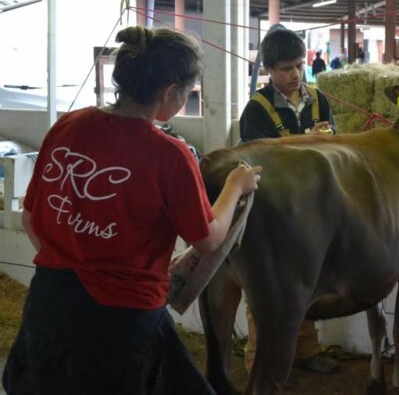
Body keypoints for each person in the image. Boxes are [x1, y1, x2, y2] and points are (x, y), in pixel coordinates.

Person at [2, 26, 262, 395]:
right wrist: (236, 186)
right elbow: (206, 239)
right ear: (170, 92)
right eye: (187, 93)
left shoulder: (69, 126)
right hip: (122, 320)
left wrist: (74, 257)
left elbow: (32, 219)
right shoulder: (169, 155)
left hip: (49, 304)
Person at [238, 24, 338, 374]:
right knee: (262, 288)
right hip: (271, 210)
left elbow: (336, 145)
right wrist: (304, 142)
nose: (296, 74)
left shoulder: (319, 99)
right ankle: (259, 363)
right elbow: (255, 159)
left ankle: (305, 352)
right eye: (286, 68)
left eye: (299, 64)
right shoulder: (256, 110)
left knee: (308, 282)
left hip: (312, 207)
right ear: (268, 70)